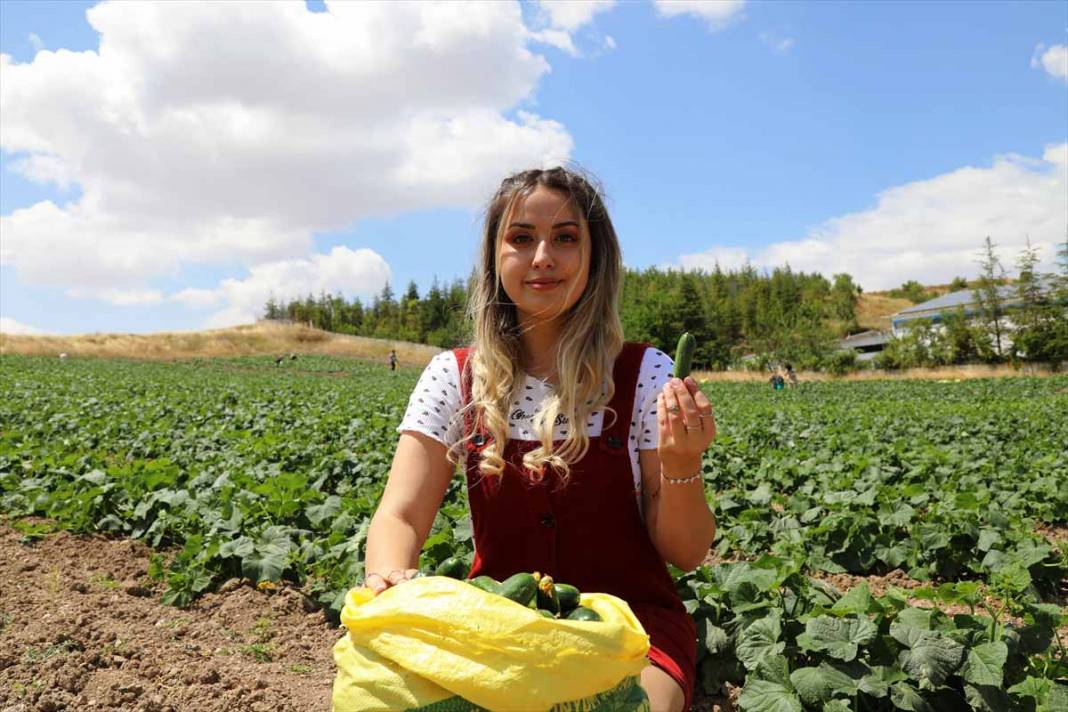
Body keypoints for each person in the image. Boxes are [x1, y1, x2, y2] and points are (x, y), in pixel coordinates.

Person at [362, 167, 717, 712]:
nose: (543, 256)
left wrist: (680, 463)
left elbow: (687, 553)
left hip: (629, 634)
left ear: (596, 257)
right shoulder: (452, 376)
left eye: (566, 238)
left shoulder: (646, 373)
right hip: (500, 624)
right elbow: (401, 517)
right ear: (495, 256)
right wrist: (388, 576)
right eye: (521, 238)